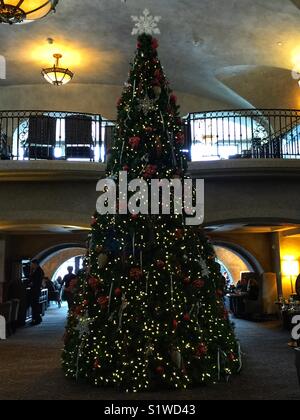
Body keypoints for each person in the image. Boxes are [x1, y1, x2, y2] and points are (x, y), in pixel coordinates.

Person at [28, 259, 44, 326]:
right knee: (35, 305)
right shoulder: (38, 270)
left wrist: (31, 284)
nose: (32, 265)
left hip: (35, 290)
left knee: (35, 305)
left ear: (36, 264)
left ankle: (36, 320)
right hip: (36, 290)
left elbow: (35, 281)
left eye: (32, 264)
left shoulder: (38, 271)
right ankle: (37, 319)